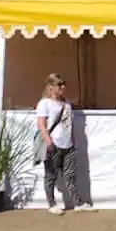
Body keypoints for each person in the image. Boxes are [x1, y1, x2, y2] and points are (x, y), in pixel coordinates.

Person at [35, 74, 91, 214]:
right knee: (51, 175)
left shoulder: (67, 103)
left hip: (68, 144)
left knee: (70, 175)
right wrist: (48, 142)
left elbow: (70, 124)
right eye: (59, 85)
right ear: (51, 87)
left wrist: (73, 142)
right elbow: (41, 125)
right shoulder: (44, 103)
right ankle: (51, 204)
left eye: (63, 85)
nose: (62, 88)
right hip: (54, 143)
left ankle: (77, 203)